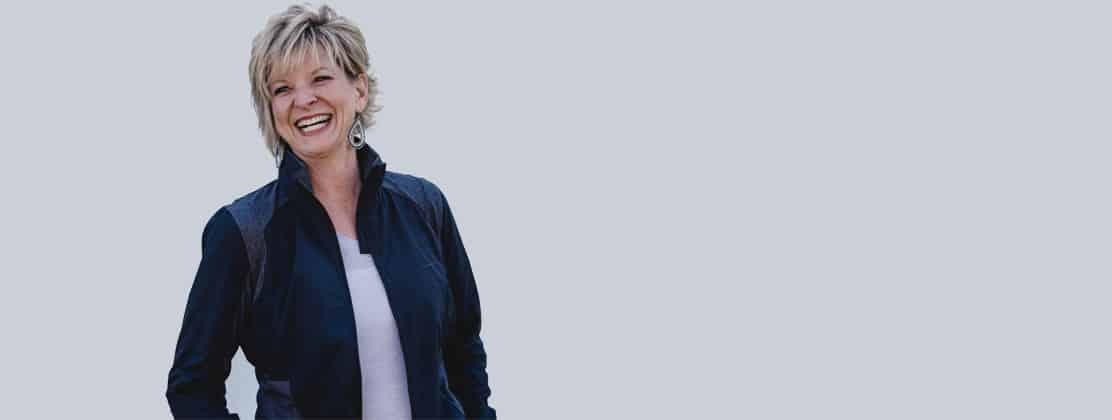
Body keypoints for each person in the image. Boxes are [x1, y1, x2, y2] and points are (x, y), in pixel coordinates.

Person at [165, 4, 496, 419]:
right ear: (270, 109)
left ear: (360, 91)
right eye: (282, 89)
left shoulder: (424, 207)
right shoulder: (243, 232)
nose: (303, 99)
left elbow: (464, 349)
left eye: (321, 78)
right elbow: (192, 386)